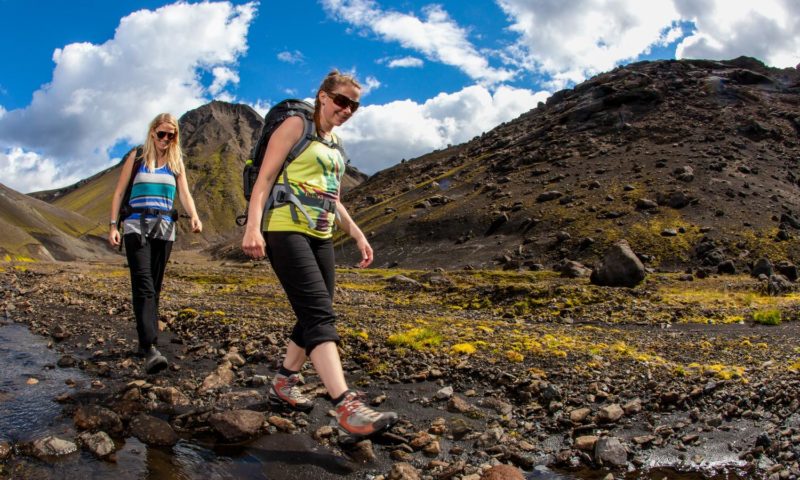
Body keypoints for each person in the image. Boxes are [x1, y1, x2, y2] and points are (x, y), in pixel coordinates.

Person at [242, 70, 398, 442]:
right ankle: (346, 406)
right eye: (342, 101)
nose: (347, 109)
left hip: (321, 234)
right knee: (318, 313)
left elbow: (334, 199)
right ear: (323, 97)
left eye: (354, 106)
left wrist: (357, 234)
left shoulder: (336, 145)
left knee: (313, 311)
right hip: (285, 228)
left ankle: (284, 383)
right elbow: (264, 180)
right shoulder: (297, 125)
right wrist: (251, 227)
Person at [108, 113, 202, 374]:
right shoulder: (137, 157)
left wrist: (194, 215)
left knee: (154, 287)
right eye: (162, 134)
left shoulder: (175, 162)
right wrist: (113, 225)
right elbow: (118, 192)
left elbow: (184, 193)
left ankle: (144, 341)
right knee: (144, 285)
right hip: (136, 228)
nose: (166, 139)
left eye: (171, 135)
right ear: (152, 132)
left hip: (164, 230)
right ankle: (150, 348)